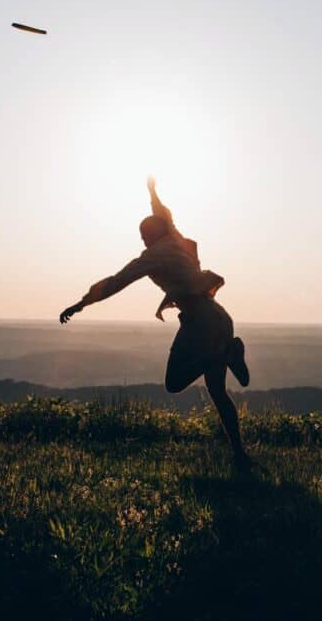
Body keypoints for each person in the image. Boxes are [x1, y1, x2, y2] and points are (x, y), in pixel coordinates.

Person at [59, 177, 251, 469]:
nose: (142, 239)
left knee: (174, 383)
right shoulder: (175, 240)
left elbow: (115, 282)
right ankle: (240, 455)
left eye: (143, 234)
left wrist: (81, 303)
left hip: (199, 323)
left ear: (150, 236)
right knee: (218, 392)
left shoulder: (151, 257)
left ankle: (225, 353)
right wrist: (152, 192)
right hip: (221, 318)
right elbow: (165, 215)